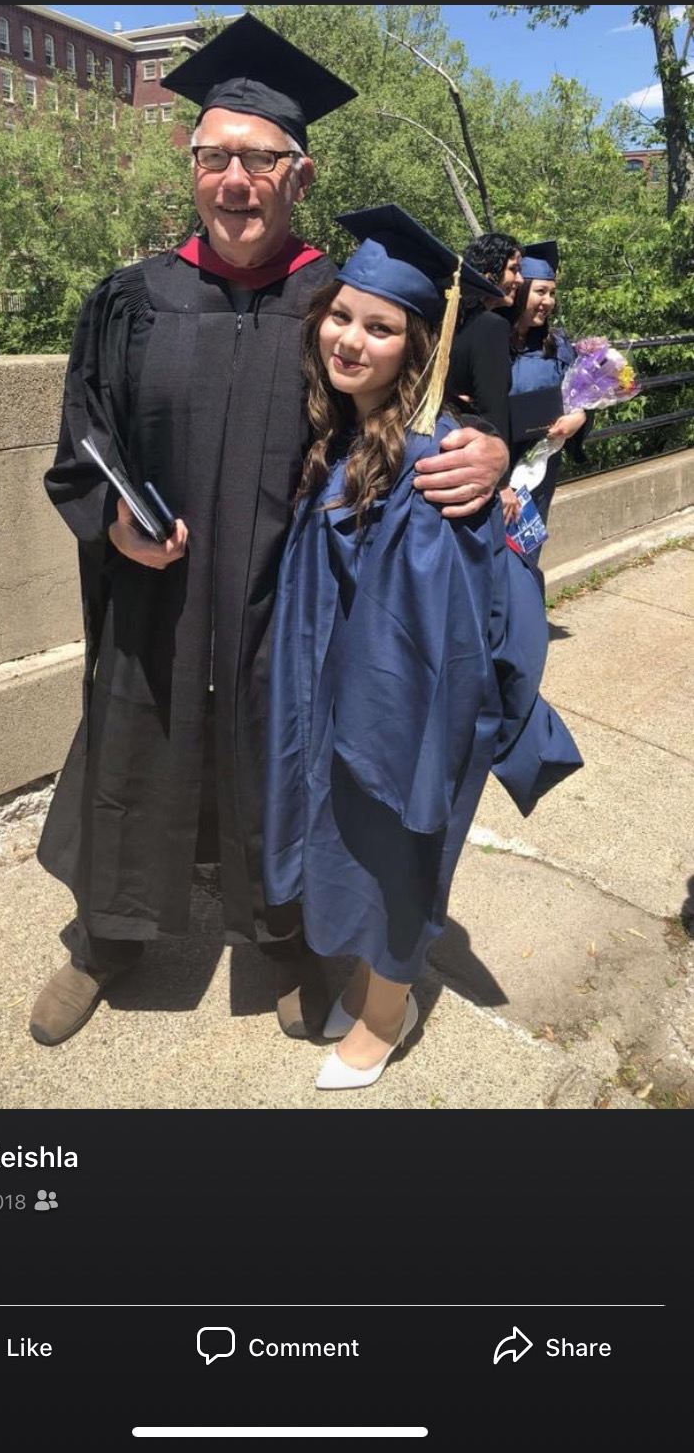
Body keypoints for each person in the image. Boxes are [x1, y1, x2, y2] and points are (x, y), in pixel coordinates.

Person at [29, 16, 510, 1049]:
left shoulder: (335, 304)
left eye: (259, 160)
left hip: (284, 608)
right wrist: (112, 523)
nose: (234, 181)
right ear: (193, 165)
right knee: (134, 747)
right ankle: (108, 937)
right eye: (215, 157)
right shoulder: (131, 301)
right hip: (156, 601)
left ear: (302, 174)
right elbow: (82, 444)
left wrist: (494, 448)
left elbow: (426, 398)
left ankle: (284, 937)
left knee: (279, 762)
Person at [263, 205, 583, 1091]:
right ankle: (370, 983)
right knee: (353, 848)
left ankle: (386, 1012)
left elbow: (432, 632)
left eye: (381, 327)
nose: (350, 340)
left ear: (418, 346)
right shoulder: (341, 431)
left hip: (395, 709)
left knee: (397, 851)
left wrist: (377, 730)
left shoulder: (430, 464)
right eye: (341, 316)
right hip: (335, 692)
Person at [506, 241, 589, 533]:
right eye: (541, 291)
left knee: (525, 549)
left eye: (552, 293)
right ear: (520, 290)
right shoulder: (490, 341)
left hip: (540, 468)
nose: (548, 301)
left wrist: (579, 418)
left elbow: (580, 399)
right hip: (496, 468)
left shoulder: (557, 345)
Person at [446, 231, 523, 526]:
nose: (520, 280)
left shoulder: (449, 317)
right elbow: (494, 408)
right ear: (490, 273)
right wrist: (502, 483)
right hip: (476, 460)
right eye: (513, 269)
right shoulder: (491, 327)